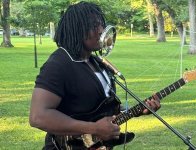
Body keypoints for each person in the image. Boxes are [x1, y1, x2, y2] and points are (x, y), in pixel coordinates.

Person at [29, 1, 161, 150]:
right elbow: (38, 117)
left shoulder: (97, 62)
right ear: (77, 30)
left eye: (101, 25)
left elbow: (100, 111)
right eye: (94, 26)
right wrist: (94, 128)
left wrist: (137, 111)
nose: (101, 31)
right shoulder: (59, 64)